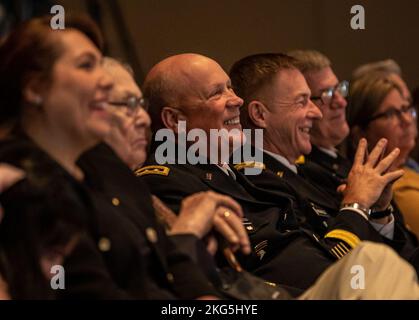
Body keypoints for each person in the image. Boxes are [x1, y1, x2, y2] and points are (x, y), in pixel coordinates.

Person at [0, 15, 237, 299]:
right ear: (35, 88)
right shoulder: (15, 183)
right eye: (86, 65)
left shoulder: (109, 169)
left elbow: (169, 264)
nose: (104, 82)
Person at [139, 53, 407, 292]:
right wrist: (356, 205)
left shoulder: (241, 173)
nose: (237, 100)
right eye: (216, 93)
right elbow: (308, 269)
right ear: (175, 120)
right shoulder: (165, 182)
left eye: (230, 87)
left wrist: (378, 212)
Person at [228, 52, 415, 260]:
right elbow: (322, 272)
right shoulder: (255, 182)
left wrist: (378, 212)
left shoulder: (304, 172)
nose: (316, 113)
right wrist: (356, 203)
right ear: (260, 115)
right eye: (302, 101)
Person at [347, 72, 419, 239]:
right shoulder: (395, 191)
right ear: (360, 133)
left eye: (405, 108)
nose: (407, 120)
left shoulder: (409, 165)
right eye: (390, 114)